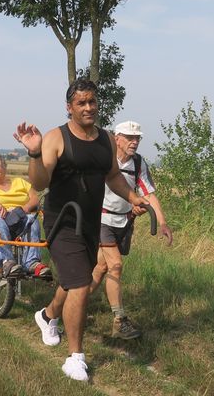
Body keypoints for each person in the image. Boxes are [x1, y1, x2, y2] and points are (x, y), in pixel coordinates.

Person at [14, 78, 149, 382]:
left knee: (78, 278)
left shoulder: (105, 140)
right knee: (79, 285)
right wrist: (34, 154)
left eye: (92, 101)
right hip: (62, 221)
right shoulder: (56, 138)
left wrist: (132, 197)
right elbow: (38, 183)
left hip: (91, 221)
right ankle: (76, 357)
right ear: (69, 107)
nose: (88, 107)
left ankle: (47, 316)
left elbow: (113, 176)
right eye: (81, 103)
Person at [90, 120, 173, 340]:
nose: (134, 142)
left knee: (101, 266)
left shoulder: (138, 163)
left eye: (137, 138)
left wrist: (162, 222)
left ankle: (73, 302)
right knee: (115, 265)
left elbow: (149, 194)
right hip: (101, 219)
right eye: (129, 137)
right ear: (116, 138)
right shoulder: (103, 159)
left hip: (124, 222)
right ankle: (119, 320)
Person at [0, 153, 52, 278]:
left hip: (18, 217)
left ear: (4, 167)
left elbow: (34, 199)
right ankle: (6, 262)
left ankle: (32, 263)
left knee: (32, 219)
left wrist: (21, 210)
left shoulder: (20, 182)